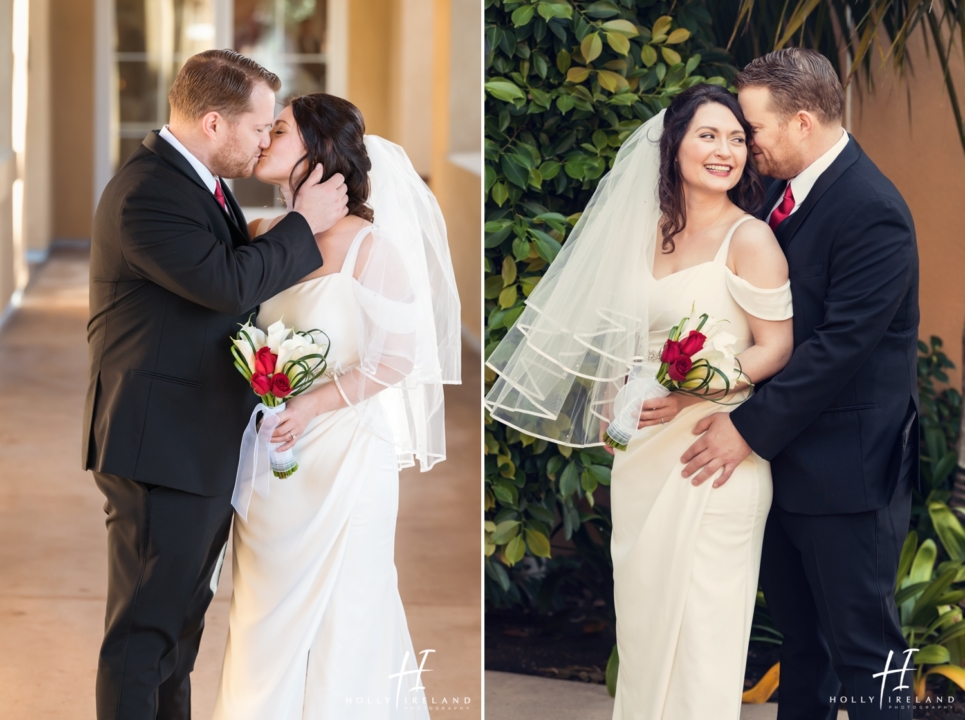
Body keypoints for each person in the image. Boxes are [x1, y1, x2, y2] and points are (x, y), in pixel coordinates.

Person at [486, 83, 794, 719]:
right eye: (708, 135)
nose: (725, 150)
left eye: (737, 139)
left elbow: (776, 348)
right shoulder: (644, 230)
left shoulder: (751, 240)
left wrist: (696, 389)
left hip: (716, 452)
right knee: (647, 623)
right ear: (673, 145)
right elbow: (622, 338)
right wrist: (611, 399)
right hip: (643, 455)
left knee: (705, 631)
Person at [84, 50, 349, 720]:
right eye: (260, 127)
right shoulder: (148, 192)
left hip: (191, 442)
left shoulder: (193, 181)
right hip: (159, 446)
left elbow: (223, 274)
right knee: (143, 638)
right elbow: (226, 283)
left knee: (177, 630)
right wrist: (305, 224)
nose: (265, 140)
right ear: (212, 122)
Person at [680, 48, 919, 720]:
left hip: (848, 477)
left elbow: (839, 348)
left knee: (864, 656)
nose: (742, 142)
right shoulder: (783, 193)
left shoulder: (871, 209)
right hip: (788, 465)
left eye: (751, 128)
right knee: (803, 650)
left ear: (802, 123)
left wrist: (744, 429)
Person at [212, 94, 461, 719]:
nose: (266, 137)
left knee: (350, 612)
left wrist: (313, 404)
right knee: (261, 614)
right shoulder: (264, 235)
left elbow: (399, 359)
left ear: (319, 148)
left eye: (281, 129)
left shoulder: (368, 248)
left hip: (345, 454)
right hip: (273, 458)